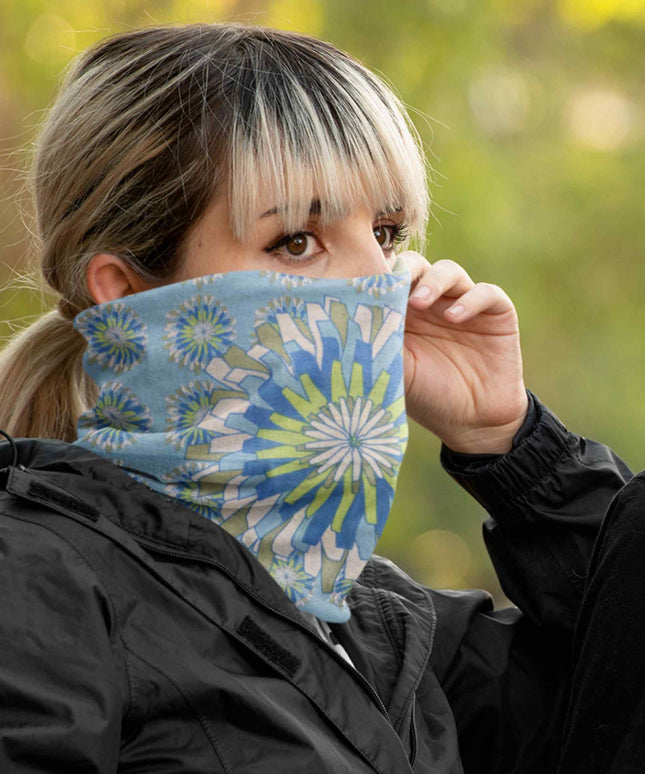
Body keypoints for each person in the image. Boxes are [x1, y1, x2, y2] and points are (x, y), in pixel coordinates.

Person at [0, 23, 631, 773]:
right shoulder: (37, 575)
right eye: (296, 241)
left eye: (387, 233)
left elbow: (616, 691)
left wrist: (511, 443)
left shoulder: (385, 628)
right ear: (128, 291)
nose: (378, 282)